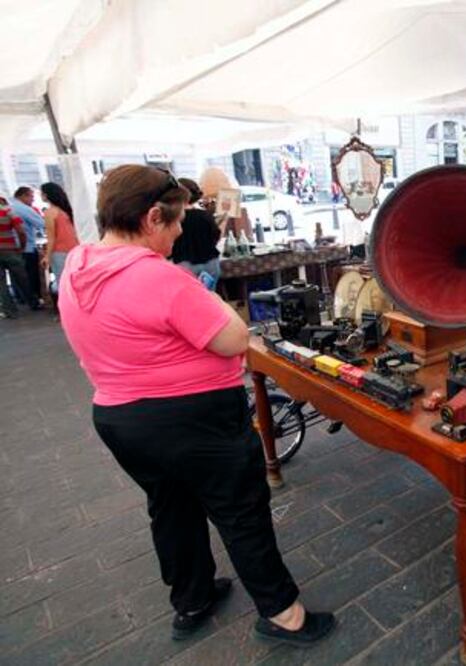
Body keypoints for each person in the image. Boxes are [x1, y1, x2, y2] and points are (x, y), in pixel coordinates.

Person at [58, 165, 334, 645]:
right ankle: (283, 615)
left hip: (121, 418)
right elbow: (235, 339)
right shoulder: (157, 276)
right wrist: (220, 304)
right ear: (152, 217)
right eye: (177, 221)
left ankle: (192, 598)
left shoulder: (79, 265)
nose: (179, 233)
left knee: (171, 507)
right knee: (240, 512)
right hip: (193, 420)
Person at [170, 178, 222, 285]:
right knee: (209, 293)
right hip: (211, 262)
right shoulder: (206, 216)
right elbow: (216, 236)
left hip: (184, 263)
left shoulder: (173, 218)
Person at [39, 182, 80, 312]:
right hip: (73, 249)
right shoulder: (65, 211)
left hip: (60, 251)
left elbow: (51, 237)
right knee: (73, 281)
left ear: (46, 195)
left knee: (63, 282)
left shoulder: (50, 212)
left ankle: (69, 311)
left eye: (41, 193)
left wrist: (47, 256)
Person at [10, 187, 45, 308]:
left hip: (11, 248)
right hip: (26, 247)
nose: (32, 200)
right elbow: (42, 223)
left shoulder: (9, 206)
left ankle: (21, 298)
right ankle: (35, 300)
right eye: (31, 197)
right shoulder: (23, 209)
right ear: (23, 196)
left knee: (16, 276)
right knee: (30, 275)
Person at [0, 200, 32, 319]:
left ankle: (10, 310)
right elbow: (21, 231)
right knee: (22, 277)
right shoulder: (8, 211)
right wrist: (22, 246)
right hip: (10, 250)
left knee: (1, 284)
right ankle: (33, 302)